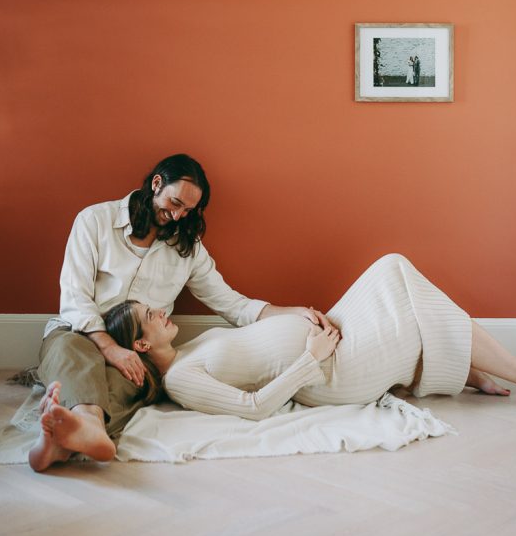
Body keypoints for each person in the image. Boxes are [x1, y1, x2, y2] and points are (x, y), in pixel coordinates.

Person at [29, 153, 334, 472]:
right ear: (156, 184)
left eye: (187, 210)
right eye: (175, 203)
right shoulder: (94, 221)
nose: (177, 216)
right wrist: (109, 347)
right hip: (81, 333)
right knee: (71, 350)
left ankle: (67, 439)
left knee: (129, 380)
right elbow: (75, 298)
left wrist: (294, 311)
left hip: (140, 349)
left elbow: (232, 304)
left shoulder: (188, 247)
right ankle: (87, 427)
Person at [102, 254, 516, 420]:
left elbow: (256, 333)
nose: (160, 310)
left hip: (330, 342)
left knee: (392, 266)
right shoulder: (180, 379)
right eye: (149, 315)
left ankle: (468, 366)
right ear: (141, 345)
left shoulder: (187, 348)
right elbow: (254, 408)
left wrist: (303, 319)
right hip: (333, 374)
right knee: (411, 302)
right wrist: (312, 356)